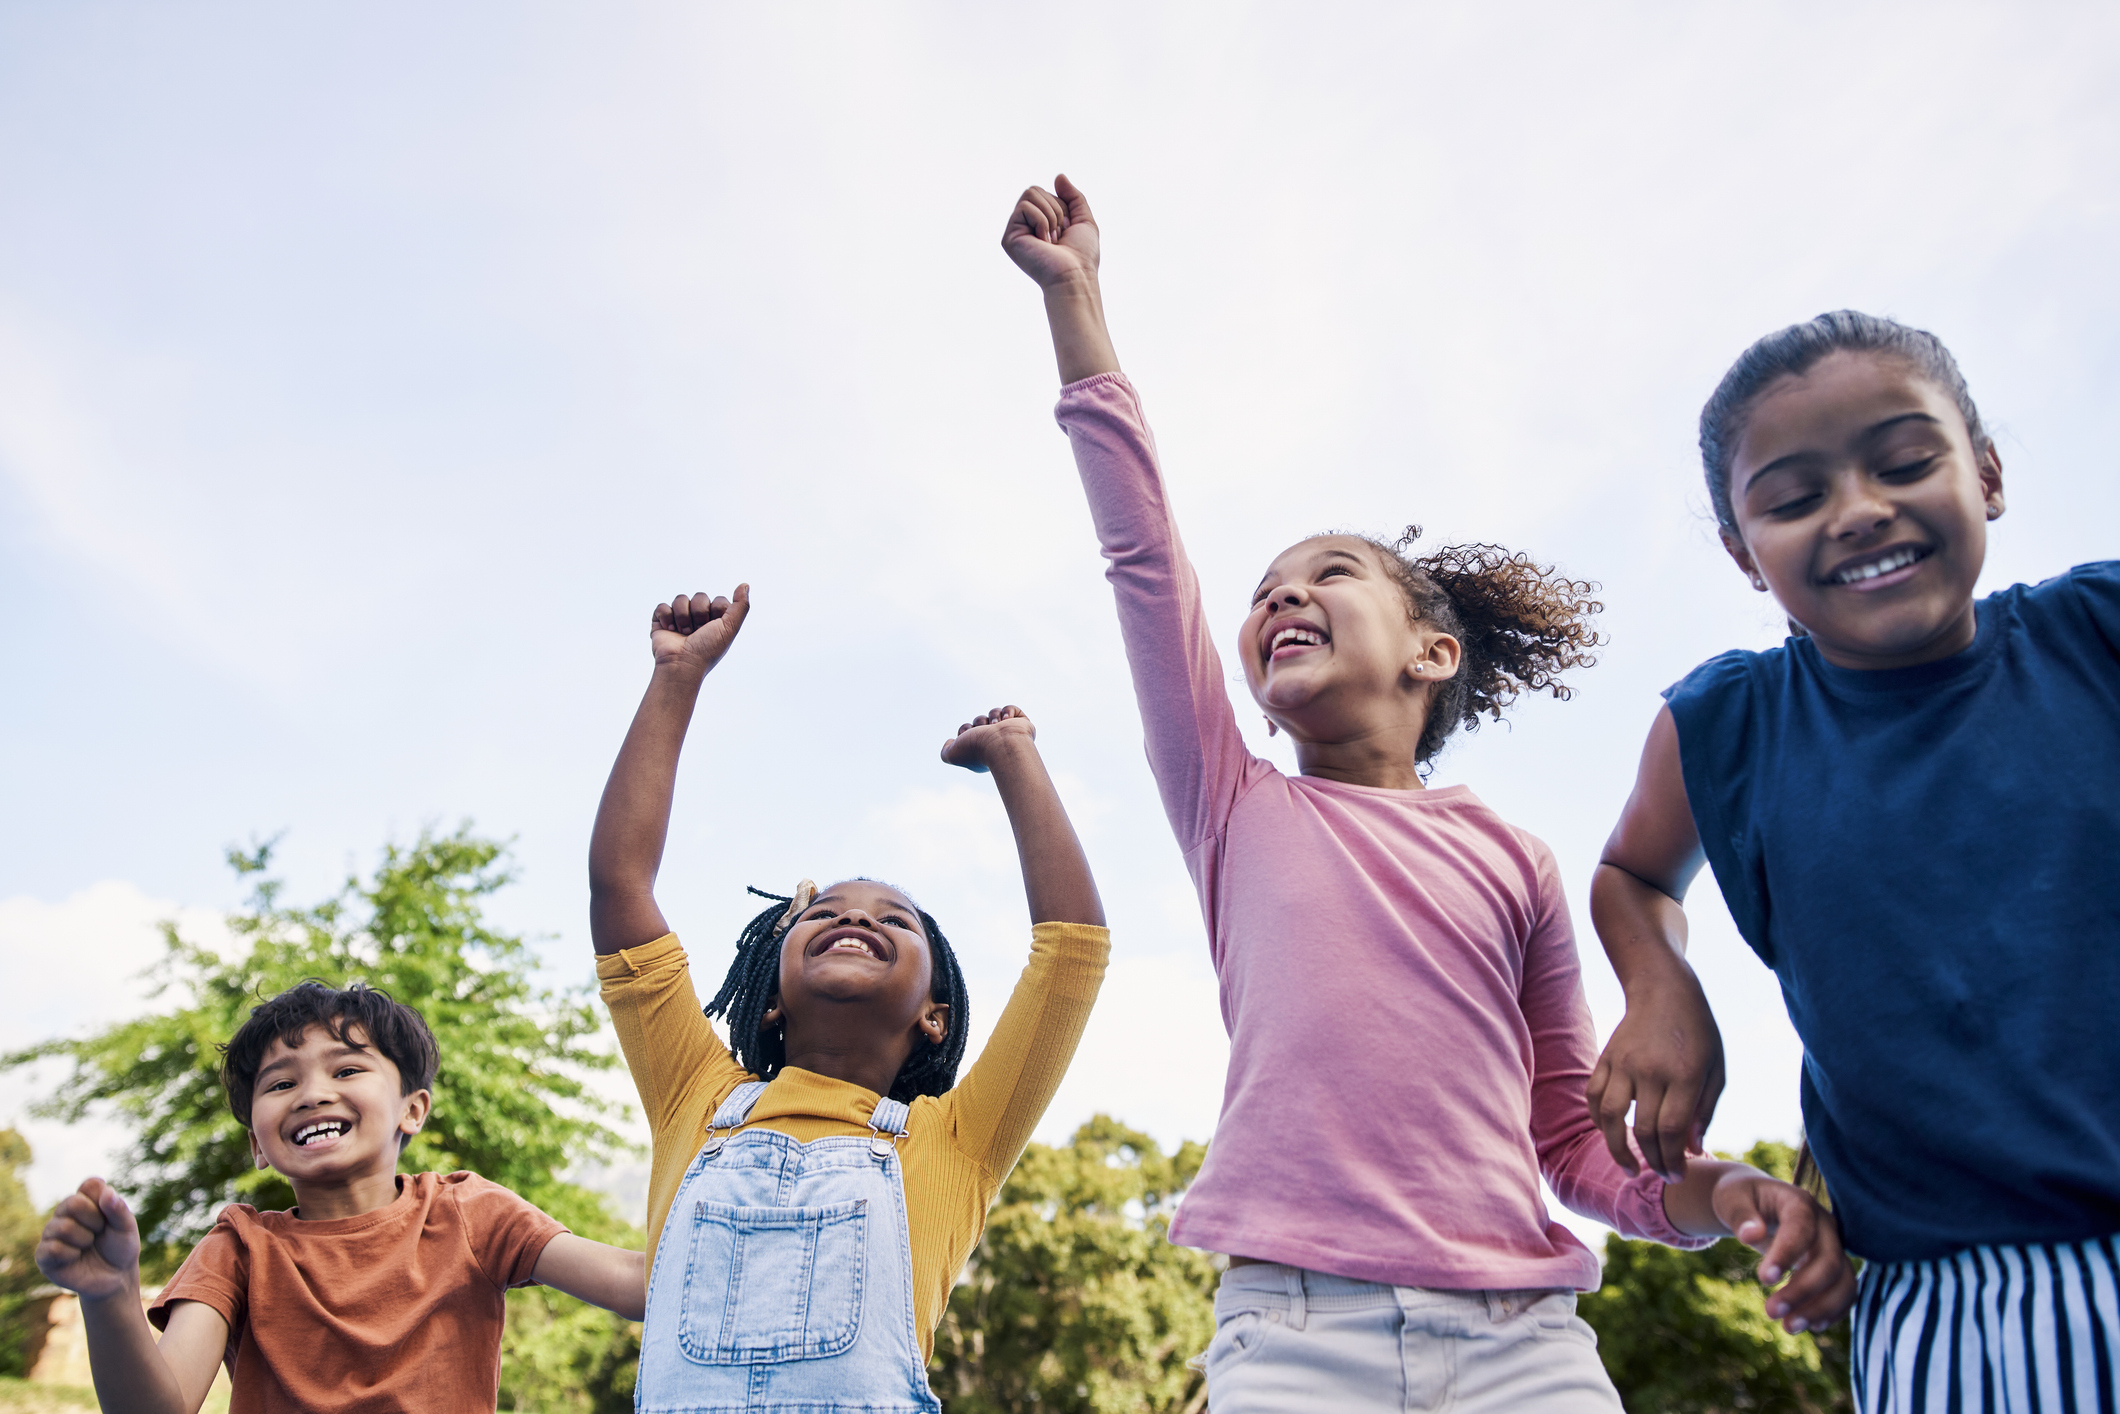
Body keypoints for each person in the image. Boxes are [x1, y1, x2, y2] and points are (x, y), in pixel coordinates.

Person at [1001, 174, 1855, 1413]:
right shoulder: (1231, 804)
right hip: (1295, 1332)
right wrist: (1076, 303)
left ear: (1430, 653)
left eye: (1327, 574)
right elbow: (1145, 564)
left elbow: (1572, 1145)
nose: (1279, 597)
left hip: (1525, 1344)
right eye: (1261, 590)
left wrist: (1718, 1192)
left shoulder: (1514, 861)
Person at [1585, 310, 2120, 1412]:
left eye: (1905, 461)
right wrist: (1659, 986)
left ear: (1985, 473)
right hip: (1950, 1297)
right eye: (1792, 498)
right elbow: (1630, 877)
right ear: (1742, 554)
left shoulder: (2095, 632)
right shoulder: (1724, 725)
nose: (1859, 509)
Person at [587, 584, 1110, 1413]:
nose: (854, 918)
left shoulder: (960, 1142)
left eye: (892, 920)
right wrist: (677, 679)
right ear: (768, 1001)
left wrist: (1014, 755)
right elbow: (621, 886)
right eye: (823, 913)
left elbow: (1071, 955)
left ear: (934, 1012)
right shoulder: (695, 1094)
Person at [33, 980, 645, 1414]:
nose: (312, 1092)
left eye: (346, 1069)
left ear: (413, 1109)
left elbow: (630, 1283)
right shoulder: (238, 1248)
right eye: (281, 1082)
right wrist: (109, 1295)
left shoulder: (469, 1213)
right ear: (257, 1144)